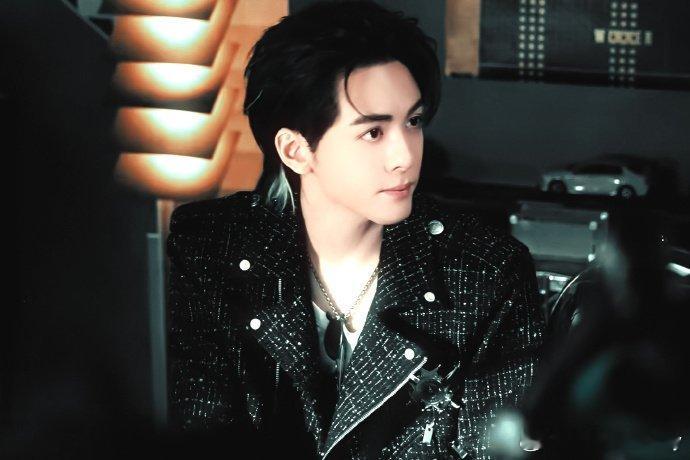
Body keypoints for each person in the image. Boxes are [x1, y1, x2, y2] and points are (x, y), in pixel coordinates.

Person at [166, 2, 544, 458]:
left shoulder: (487, 273)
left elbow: (495, 450)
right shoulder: (208, 248)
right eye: (373, 132)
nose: (405, 156)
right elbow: (200, 434)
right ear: (296, 150)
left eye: (413, 122)